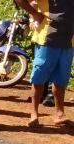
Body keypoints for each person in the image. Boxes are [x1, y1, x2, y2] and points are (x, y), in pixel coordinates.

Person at [15, 0, 74, 128]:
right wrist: (34, 14)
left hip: (69, 41)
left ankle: (60, 114)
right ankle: (34, 113)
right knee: (39, 78)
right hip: (47, 39)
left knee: (61, 80)